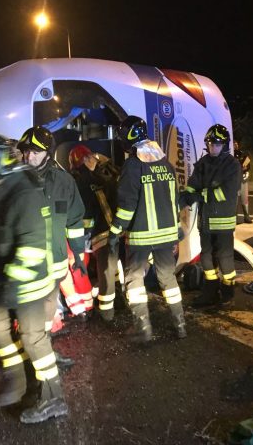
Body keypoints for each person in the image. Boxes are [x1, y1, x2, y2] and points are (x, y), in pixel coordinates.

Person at [0, 135, 67, 423]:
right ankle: (17, 378)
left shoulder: (23, 192)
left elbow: (32, 247)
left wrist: (11, 284)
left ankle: (53, 398)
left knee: (34, 339)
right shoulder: (2, 185)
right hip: (9, 278)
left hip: (29, 281)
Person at [109, 116, 186, 342]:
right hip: (167, 234)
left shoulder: (133, 165)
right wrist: (177, 230)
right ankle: (180, 325)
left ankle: (143, 329)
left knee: (134, 279)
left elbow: (126, 206)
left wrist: (115, 231)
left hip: (142, 235)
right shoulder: (166, 164)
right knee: (168, 279)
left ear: (129, 137)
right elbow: (175, 199)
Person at [16, 126, 88, 333]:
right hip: (26, 264)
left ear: (48, 154)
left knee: (47, 315)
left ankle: (45, 347)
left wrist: (79, 254)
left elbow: (74, 222)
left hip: (55, 263)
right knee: (29, 317)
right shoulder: (14, 182)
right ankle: (36, 348)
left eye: (36, 152)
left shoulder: (64, 182)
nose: (29, 157)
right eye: (26, 151)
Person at [181, 124, 242, 308]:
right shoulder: (203, 163)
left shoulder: (232, 165)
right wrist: (185, 197)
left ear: (224, 145)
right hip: (206, 221)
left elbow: (227, 192)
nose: (212, 147)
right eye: (210, 144)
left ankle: (228, 289)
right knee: (206, 257)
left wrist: (201, 195)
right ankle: (210, 290)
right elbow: (193, 186)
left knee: (224, 257)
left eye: (216, 144)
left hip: (223, 221)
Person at [68, 144, 121, 322]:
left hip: (100, 232)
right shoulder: (106, 172)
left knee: (105, 269)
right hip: (119, 228)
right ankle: (119, 301)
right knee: (114, 267)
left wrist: (83, 236)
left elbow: (84, 212)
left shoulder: (79, 181)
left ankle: (107, 313)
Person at [234, 141, 253, 224]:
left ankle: (247, 216)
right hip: (234, 180)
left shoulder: (242, 154)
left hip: (243, 179)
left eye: (236, 144)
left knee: (244, 199)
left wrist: (245, 168)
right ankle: (234, 218)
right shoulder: (230, 156)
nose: (235, 146)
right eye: (234, 144)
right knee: (235, 200)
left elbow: (248, 164)